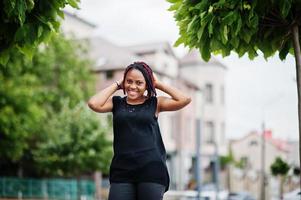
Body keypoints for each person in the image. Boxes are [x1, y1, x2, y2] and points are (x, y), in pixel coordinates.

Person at [88, 61, 191, 200]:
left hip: (151, 170)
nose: (133, 86)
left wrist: (158, 84)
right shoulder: (117, 103)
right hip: (122, 171)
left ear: (147, 85)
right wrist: (118, 84)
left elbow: (185, 99)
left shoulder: (155, 103)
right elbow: (93, 103)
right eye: (129, 81)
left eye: (139, 83)